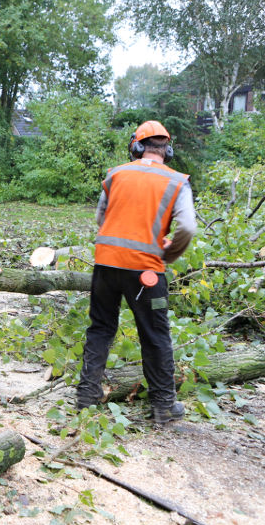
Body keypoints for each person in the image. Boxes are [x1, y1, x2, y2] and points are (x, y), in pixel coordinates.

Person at [76, 120, 197, 424]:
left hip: (105, 264)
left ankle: (86, 397)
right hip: (147, 273)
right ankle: (163, 406)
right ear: (166, 149)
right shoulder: (176, 181)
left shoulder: (116, 174)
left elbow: (100, 216)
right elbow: (187, 227)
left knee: (101, 328)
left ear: (137, 146)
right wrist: (169, 252)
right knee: (155, 335)